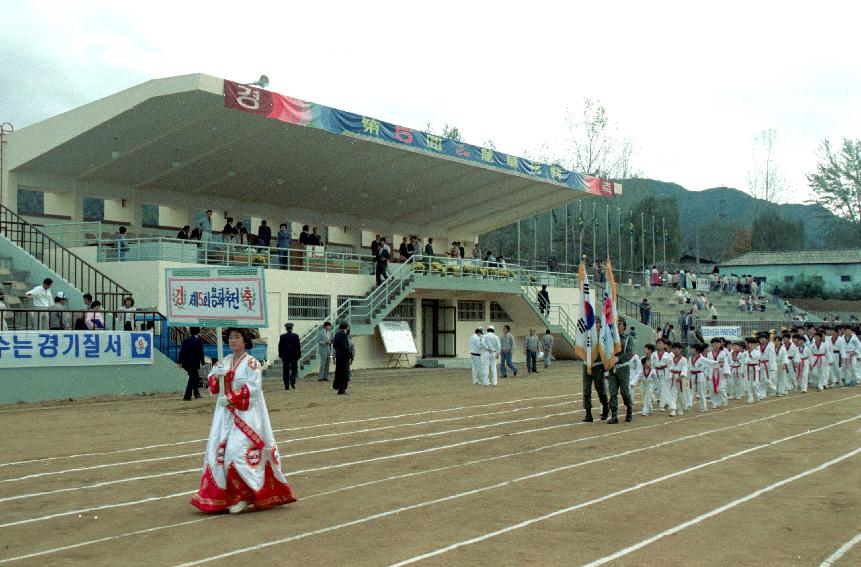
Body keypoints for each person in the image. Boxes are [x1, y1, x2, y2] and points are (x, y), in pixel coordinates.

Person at [191, 328, 296, 513]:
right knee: (219, 454)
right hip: (225, 416)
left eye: (237, 337)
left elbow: (254, 389)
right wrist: (216, 376)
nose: (233, 341)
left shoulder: (252, 363)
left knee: (236, 453)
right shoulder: (223, 361)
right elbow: (213, 388)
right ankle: (227, 496)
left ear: (245, 340)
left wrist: (231, 398)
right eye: (230, 337)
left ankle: (244, 496)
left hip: (247, 415)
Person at [606, 320, 635, 423]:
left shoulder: (628, 339)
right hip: (612, 368)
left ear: (624, 326)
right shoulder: (611, 338)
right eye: (616, 324)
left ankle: (629, 410)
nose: (617, 326)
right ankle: (614, 415)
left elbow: (629, 353)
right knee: (613, 392)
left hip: (623, 368)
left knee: (624, 391)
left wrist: (619, 359)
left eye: (619, 324)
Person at [178, 327, 205, 401]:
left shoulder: (186, 340)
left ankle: (197, 394)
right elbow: (201, 353)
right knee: (192, 378)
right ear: (198, 332)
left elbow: (182, 352)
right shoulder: (198, 340)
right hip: (195, 363)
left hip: (187, 363)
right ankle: (187, 396)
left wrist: (180, 362)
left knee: (194, 377)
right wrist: (202, 362)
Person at [582, 357, 609, 422]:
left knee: (600, 389)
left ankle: (605, 408)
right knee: (586, 390)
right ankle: (588, 414)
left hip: (598, 365)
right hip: (586, 364)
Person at [278, 323, 301, 390]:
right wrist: (299, 355)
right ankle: (292, 380)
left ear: (286, 329)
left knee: (285, 371)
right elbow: (298, 346)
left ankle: (286, 386)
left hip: (285, 356)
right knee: (294, 369)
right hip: (294, 356)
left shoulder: (282, 336)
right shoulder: (296, 336)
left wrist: (281, 355)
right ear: (292, 328)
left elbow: (280, 346)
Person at [332, 322, 351, 394]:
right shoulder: (343, 334)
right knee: (344, 372)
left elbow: (334, 344)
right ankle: (342, 389)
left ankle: (337, 386)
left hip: (339, 354)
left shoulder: (337, 333)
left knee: (339, 371)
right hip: (343, 355)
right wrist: (348, 353)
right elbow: (345, 346)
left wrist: (338, 350)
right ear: (346, 327)